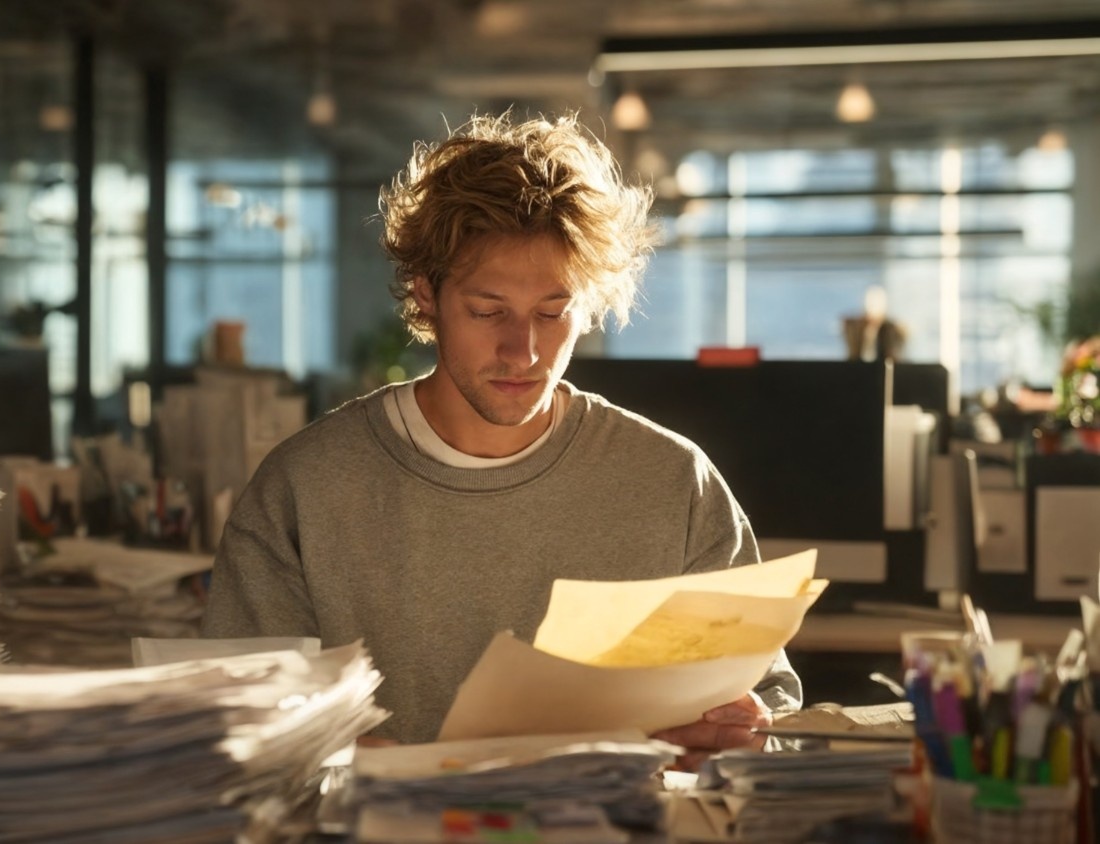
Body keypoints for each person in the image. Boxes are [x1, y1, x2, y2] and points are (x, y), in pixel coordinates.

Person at [202, 113, 801, 759]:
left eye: (553, 312)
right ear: (425, 294)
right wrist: (329, 754)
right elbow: (232, 726)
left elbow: (769, 715)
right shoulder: (307, 488)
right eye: (488, 312)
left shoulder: (670, 482)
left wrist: (737, 738)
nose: (523, 351)